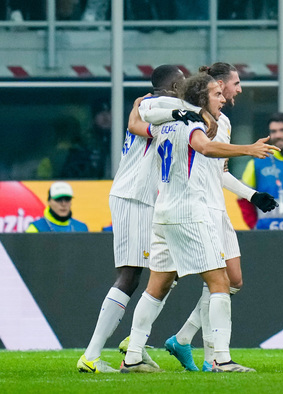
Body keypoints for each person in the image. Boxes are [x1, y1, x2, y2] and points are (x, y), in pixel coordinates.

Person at [121, 72, 278, 373]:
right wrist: (248, 149)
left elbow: (139, 122)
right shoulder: (192, 124)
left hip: (163, 213)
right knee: (221, 283)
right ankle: (221, 359)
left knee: (157, 287)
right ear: (201, 97)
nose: (222, 98)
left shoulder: (164, 123)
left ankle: (133, 356)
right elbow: (204, 147)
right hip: (189, 214)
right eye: (216, 94)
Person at [77, 65, 201, 373]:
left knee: (167, 270)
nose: (184, 85)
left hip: (149, 200)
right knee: (130, 275)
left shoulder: (155, 105)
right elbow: (140, 123)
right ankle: (91, 356)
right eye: (181, 81)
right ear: (172, 85)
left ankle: (134, 341)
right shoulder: (153, 105)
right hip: (133, 195)